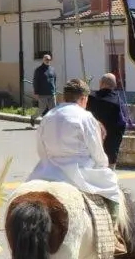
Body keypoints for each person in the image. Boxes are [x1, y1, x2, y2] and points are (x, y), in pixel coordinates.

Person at [26, 79, 121, 219]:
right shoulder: (86, 117)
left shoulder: (48, 116)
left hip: (47, 169)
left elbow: (41, 149)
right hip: (78, 172)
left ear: (65, 96)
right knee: (112, 186)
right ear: (83, 98)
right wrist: (103, 166)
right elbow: (97, 151)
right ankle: (112, 229)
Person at [86, 73, 128, 168]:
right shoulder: (118, 101)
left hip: (92, 143)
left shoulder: (90, 98)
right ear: (114, 85)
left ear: (101, 83)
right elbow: (122, 123)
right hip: (110, 146)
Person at [32, 53, 57, 118]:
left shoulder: (52, 69)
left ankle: (51, 123)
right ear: (43, 60)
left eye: (49, 59)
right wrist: (36, 92)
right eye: (46, 59)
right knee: (42, 109)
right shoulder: (38, 70)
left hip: (52, 93)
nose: (47, 60)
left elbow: (54, 80)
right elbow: (35, 81)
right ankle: (33, 117)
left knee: (53, 110)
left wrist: (55, 90)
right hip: (42, 93)